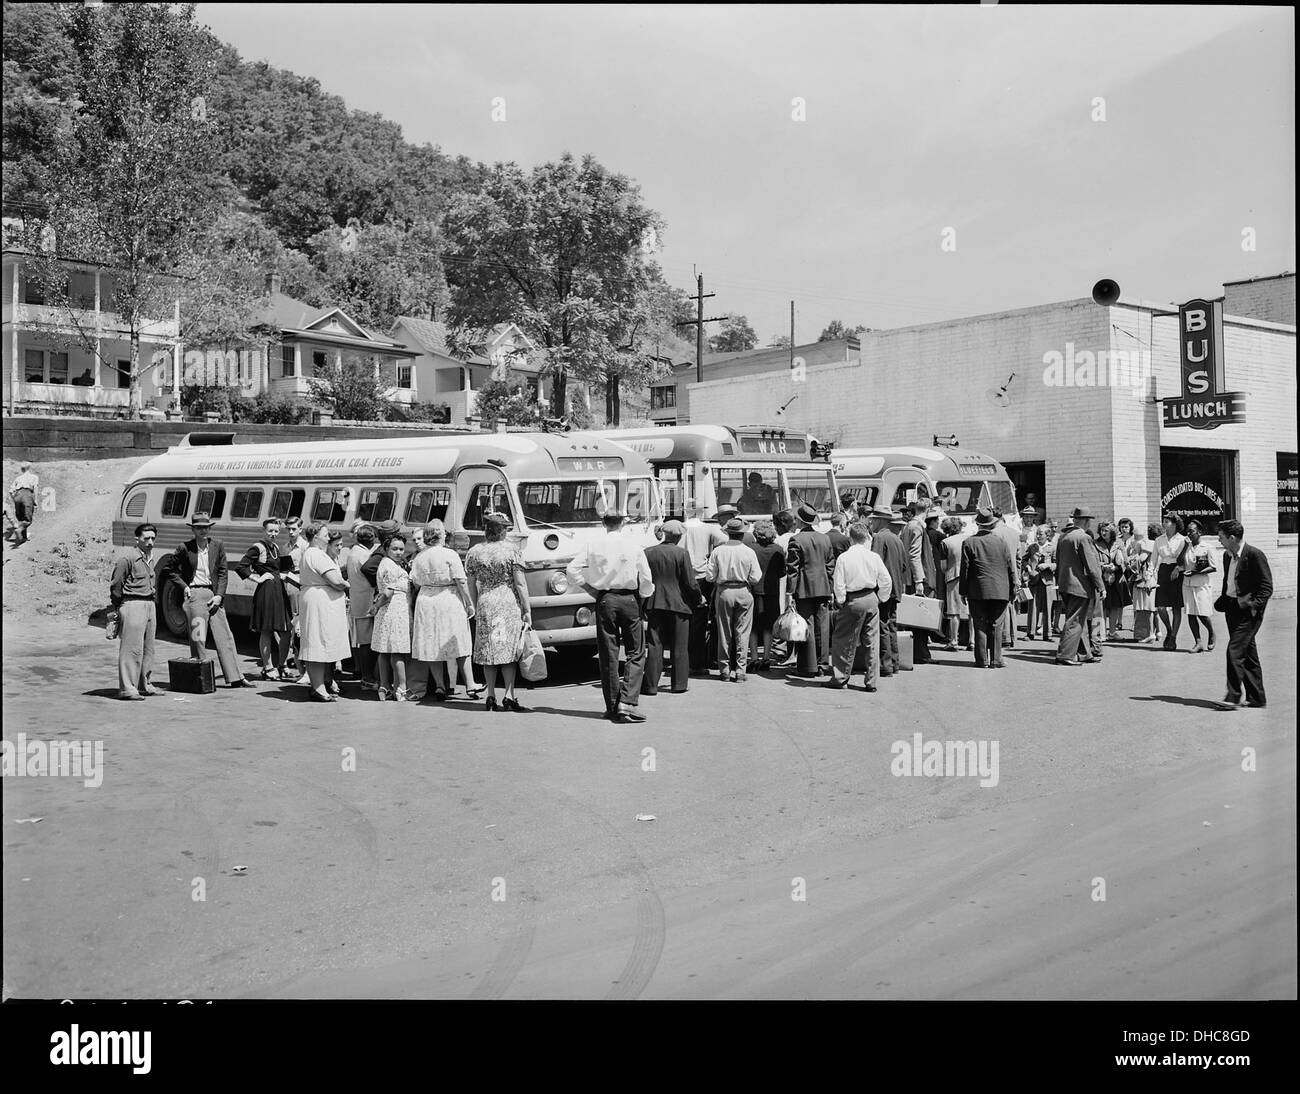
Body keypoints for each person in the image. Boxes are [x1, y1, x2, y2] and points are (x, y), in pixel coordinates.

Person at [567, 509, 653, 722]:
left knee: (608, 653)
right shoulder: (633, 545)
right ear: (622, 522)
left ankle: (613, 705)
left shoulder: (593, 545)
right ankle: (628, 702)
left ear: (604, 523)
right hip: (629, 599)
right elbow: (646, 578)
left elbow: (572, 569)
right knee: (635, 652)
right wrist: (642, 598)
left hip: (605, 599)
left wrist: (591, 589)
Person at [162, 512, 250, 688]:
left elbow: (223, 572)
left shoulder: (217, 546)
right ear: (193, 529)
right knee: (198, 637)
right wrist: (184, 587)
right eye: (199, 527)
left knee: (224, 636)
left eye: (206, 527)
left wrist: (219, 595)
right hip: (194, 596)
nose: (203, 530)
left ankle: (235, 677)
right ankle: (202, 677)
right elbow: (169, 569)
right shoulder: (184, 548)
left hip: (213, 595)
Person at [467, 512, 532, 713]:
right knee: (508, 651)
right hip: (507, 602)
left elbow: (471, 582)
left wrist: (475, 604)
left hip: (486, 601)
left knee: (489, 651)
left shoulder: (475, 552)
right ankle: (509, 695)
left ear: (486, 531)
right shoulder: (513, 551)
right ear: (503, 531)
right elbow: (520, 583)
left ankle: (490, 696)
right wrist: (527, 609)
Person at [409, 519, 475, 701]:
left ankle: (439, 685)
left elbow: (414, 581)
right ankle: (470, 684)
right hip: (448, 597)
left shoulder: (420, 557)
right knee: (458, 640)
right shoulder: (449, 554)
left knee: (432, 644)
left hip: (426, 600)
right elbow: (461, 580)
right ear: (440, 534)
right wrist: (469, 602)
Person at [828, 521, 893, 690]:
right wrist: (880, 598)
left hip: (853, 599)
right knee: (871, 641)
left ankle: (840, 677)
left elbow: (839, 584)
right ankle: (871, 681)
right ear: (866, 538)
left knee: (843, 640)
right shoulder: (874, 557)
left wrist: (841, 600)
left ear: (851, 538)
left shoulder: (844, 558)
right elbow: (886, 581)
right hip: (871, 597)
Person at [1215, 519, 1271, 709]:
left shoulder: (1254, 555)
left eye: (1221, 537)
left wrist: (1253, 606)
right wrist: (1224, 600)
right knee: (1248, 653)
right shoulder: (1226, 556)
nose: (1219, 540)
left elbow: (1266, 587)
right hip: (1231, 609)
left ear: (1232, 537)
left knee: (1234, 650)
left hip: (1249, 613)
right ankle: (1257, 698)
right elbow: (1228, 580)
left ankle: (1233, 696)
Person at [642, 520, 700, 695]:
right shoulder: (682, 554)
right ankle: (679, 684)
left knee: (654, 645)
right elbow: (690, 582)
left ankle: (651, 685)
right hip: (679, 605)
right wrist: (697, 598)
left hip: (654, 603)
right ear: (679, 536)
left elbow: (643, 579)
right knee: (680, 646)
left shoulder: (648, 552)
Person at [235, 517, 294, 680]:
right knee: (267, 630)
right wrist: (257, 578)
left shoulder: (275, 547)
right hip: (266, 592)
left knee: (286, 630)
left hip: (279, 590)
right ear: (264, 531)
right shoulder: (257, 547)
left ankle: (281, 665)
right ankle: (268, 667)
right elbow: (241, 567)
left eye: (276, 531)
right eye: (270, 531)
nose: (273, 534)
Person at [298, 523, 351, 702]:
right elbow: (335, 580)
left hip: (319, 600)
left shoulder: (312, 554)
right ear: (316, 537)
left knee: (319, 642)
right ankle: (318, 688)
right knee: (317, 643)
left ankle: (320, 685)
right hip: (319, 602)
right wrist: (346, 584)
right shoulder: (316, 554)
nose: (328, 538)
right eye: (325, 535)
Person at [959, 507, 1017, 668]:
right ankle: (996, 659)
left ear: (978, 524)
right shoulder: (1001, 542)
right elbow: (1010, 567)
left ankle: (982, 659)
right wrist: (1013, 588)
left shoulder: (969, 542)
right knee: (997, 625)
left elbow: (965, 570)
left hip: (977, 590)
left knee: (980, 624)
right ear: (992, 524)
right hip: (1000, 590)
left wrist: (963, 591)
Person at [109, 523, 161, 700]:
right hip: (132, 603)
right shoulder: (127, 558)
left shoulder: (150, 558)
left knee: (148, 648)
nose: (150, 542)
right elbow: (116, 585)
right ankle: (128, 689)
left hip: (149, 605)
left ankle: (144, 684)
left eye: (153, 538)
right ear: (137, 539)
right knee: (131, 649)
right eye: (146, 538)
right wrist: (120, 607)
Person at [708, 517, 762, 682]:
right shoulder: (749, 551)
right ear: (741, 534)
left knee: (724, 632)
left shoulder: (718, 551)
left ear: (728, 533)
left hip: (724, 591)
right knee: (743, 632)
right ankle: (740, 670)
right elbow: (755, 577)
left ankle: (724, 669)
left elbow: (710, 576)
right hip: (743, 591)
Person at [785, 502, 835, 677]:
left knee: (807, 625)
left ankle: (809, 666)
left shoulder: (796, 540)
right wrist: (831, 587)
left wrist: (790, 592)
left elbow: (792, 569)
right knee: (823, 626)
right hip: (823, 587)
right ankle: (823, 664)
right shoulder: (825, 538)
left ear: (799, 521)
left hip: (804, 588)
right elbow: (830, 565)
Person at [1054, 506, 1104, 666]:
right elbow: (1091, 566)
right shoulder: (1083, 538)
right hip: (1079, 586)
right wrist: (1100, 586)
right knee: (1075, 621)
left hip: (1065, 584)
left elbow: (1059, 561)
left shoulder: (1063, 537)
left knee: (1078, 620)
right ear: (1086, 521)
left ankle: (1084, 653)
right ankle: (1064, 655)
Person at [682, 503, 727, 674]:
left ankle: (682, 659)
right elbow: (725, 539)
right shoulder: (708, 529)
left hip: (683, 577)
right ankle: (697, 663)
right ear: (700, 512)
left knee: (684, 620)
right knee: (700, 621)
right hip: (701, 577)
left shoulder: (682, 527)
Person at [371, 532, 412, 701]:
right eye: (394, 548)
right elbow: (387, 593)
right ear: (386, 548)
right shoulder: (390, 566)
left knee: (384, 651)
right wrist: (376, 606)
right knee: (397, 651)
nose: (399, 552)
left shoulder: (387, 563)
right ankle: (401, 687)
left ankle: (384, 686)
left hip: (389, 611)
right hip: (394, 610)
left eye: (401, 549)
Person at [868, 506, 908, 676]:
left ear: (881, 520)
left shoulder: (879, 538)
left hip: (884, 589)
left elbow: (874, 564)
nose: (871, 522)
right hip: (896, 588)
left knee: (883, 625)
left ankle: (886, 666)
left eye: (874, 519)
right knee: (891, 624)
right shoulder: (896, 539)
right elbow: (905, 566)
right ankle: (894, 663)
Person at [900, 500, 939, 665]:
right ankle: (921, 654)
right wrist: (919, 580)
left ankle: (919, 652)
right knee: (921, 617)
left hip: (911, 576)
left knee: (915, 617)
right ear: (928, 509)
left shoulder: (909, 526)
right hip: (920, 577)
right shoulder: (917, 527)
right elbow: (914, 554)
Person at [747, 520, 786, 671]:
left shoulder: (751, 549)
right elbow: (782, 572)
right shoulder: (778, 549)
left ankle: (754, 657)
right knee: (769, 626)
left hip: (754, 591)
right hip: (772, 592)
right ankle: (767, 657)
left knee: (754, 626)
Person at [345, 526, 378, 690]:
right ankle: (368, 677)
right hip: (366, 601)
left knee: (363, 642)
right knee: (367, 643)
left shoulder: (353, 552)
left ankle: (366, 676)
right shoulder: (365, 555)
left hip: (358, 600)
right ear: (372, 539)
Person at [1179, 520, 1218, 654]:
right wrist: (1185, 546)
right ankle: (1198, 642)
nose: (1189, 533)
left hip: (1201, 584)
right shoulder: (1186, 546)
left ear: (1199, 532)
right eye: (1187, 531)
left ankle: (1212, 633)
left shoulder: (1207, 547)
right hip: (1187, 584)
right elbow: (1179, 562)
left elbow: (1213, 567)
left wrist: (1196, 572)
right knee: (1190, 613)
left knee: (1202, 613)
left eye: (1192, 531)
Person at [1154, 513, 1188, 650]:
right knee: (1161, 606)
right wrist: (1151, 576)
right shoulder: (1159, 540)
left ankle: (1173, 637)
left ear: (1174, 524)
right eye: (1163, 521)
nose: (1164, 523)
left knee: (1175, 607)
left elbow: (1186, 559)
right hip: (1163, 571)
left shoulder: (1182, 540)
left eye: (1167, 521)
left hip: (1176, 573)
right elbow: (1153, 560)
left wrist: (1178, 569)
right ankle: (1168, 630)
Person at [939, 516, 968, 651]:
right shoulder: (969, 538)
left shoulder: (945, 542)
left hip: (953, 576)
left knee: (953, 611)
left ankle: (954, 640)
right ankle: (972, 641)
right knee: (970, 611)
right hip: (969, 577)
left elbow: (943, 567)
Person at [1129, 524, 1160, 644]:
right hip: (1143, 579)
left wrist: (1132, 554)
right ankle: (1147, 633)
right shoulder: (1147, 545)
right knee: (1142, 607)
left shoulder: (1146, 546)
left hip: (1145, 579)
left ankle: (1148, 633)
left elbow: (1138, 561)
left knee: (1145, 607)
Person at [1097, 521, 1126, 640]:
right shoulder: (1095, 543)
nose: (1103, 533)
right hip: (1101, 578)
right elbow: (1092, 560)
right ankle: (1102, 633)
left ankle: (1113, 632)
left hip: (1116, 579)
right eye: (1102, 530)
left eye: (1106, 531)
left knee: (1114, 605)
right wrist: (1102, 565)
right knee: (1102, 605)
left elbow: (1126, 561)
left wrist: (1117, 567)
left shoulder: (1119, 543)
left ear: (1112, 532)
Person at [9, 460, 39, 545]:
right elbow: (35, 488)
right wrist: (35, 500)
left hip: (17, 496)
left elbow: (10, 491)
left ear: (22, 469)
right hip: (27, 494)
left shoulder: (18, 478)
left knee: (21, 518)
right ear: (29, 468)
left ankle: (23, 538)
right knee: (28, 520)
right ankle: (19, 530)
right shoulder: (34, 477)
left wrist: (14, 499)